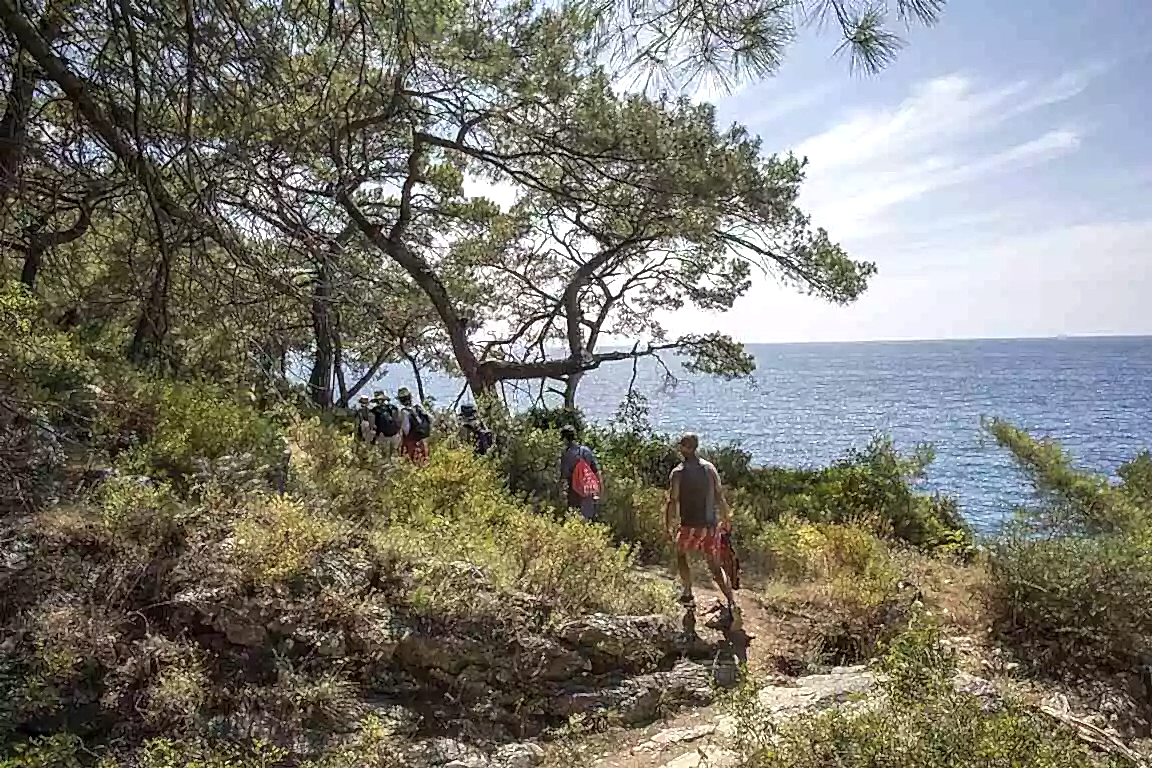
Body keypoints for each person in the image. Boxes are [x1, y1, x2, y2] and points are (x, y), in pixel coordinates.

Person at [666, 432, 742, 632]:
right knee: (715, 567)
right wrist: (726, 518)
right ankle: (731, 602)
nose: (682, 448)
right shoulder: (709, 469)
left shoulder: (678, 473)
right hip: (709, 525)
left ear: (685, 447)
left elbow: (672, 500)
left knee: (681, 555)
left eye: (683, 445)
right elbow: (719, 495)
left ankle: (688, 592)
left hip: (688, 524)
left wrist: (668, 523)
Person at [558, 425, 600, 521]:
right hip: (588, 487)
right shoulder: (586, 450)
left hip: (574, 488)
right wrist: (599, 487)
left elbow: (564, 473)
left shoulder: (566, 453)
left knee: (574, 514)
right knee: (589, 515)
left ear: (564, 438)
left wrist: (561, 487)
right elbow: (595, 470)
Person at [397, 387, 431, 464]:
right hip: (423, 438)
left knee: (415, 460)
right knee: (425, 459)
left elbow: (406, 428)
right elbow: (430, 418)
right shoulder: (418, 407)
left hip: (412, 440)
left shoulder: (404, 412)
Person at [370, 391, 401, 458]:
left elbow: (372, 426)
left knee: (384, 457)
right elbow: (398, 420)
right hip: (395, 435)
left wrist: (374, 438)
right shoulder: (393, 408)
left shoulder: (374, 411)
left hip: (382, 436)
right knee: (395, 455)